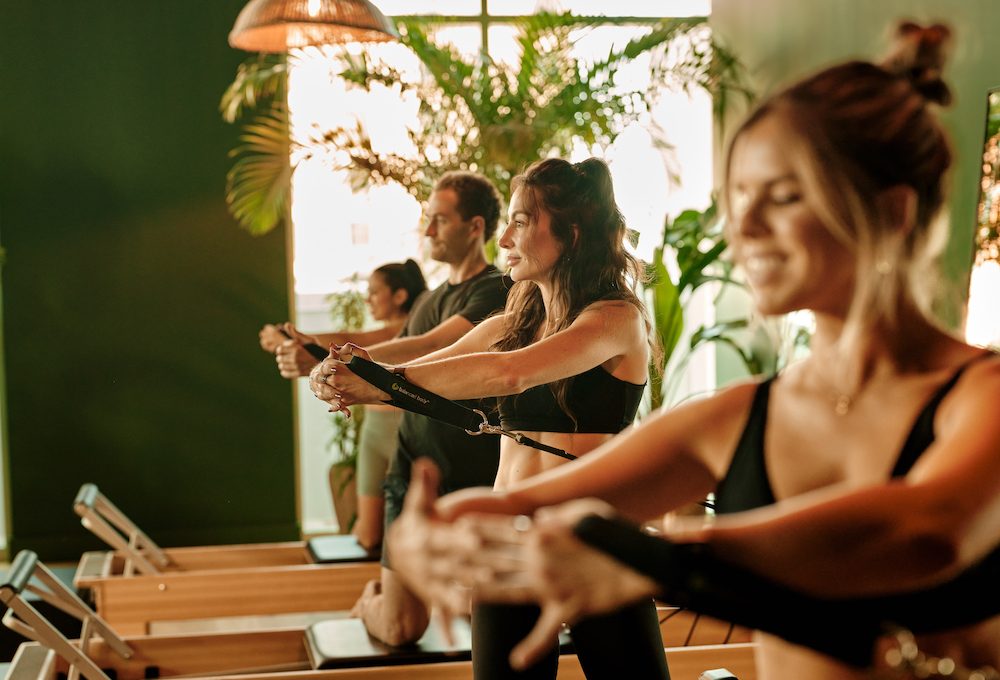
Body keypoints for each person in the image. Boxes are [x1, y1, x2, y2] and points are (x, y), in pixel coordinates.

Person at [383, 23, 1000, 680]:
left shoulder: (980, 396)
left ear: (893, 213)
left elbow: (924, 531)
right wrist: (433, 534)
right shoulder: (740, 417)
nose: (746, 227)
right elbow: (515, 507)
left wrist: (660, 559)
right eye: (740, 197)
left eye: (783, 196)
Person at [311, 158, 670, 680]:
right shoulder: (510, 323)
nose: (505, 240)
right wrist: (349, 379)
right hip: (507, 549)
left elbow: (508, 375)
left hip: (594, 546)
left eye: (521, 222)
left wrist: (382, 378)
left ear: (571, 232)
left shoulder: (616, 319)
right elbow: (415, 378)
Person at [318, 171, 509, 647]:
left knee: (491, 611)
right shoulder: (427, 299)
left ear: (475, 226)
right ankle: (370, 600)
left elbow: (429, 350)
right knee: (402, 628)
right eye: (428, 220)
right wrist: (319, 360)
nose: (428, 232)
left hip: (477, 479)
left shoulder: (497, 291)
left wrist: (334, 353)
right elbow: (394, 351)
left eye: (439, 220)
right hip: (413, 471)